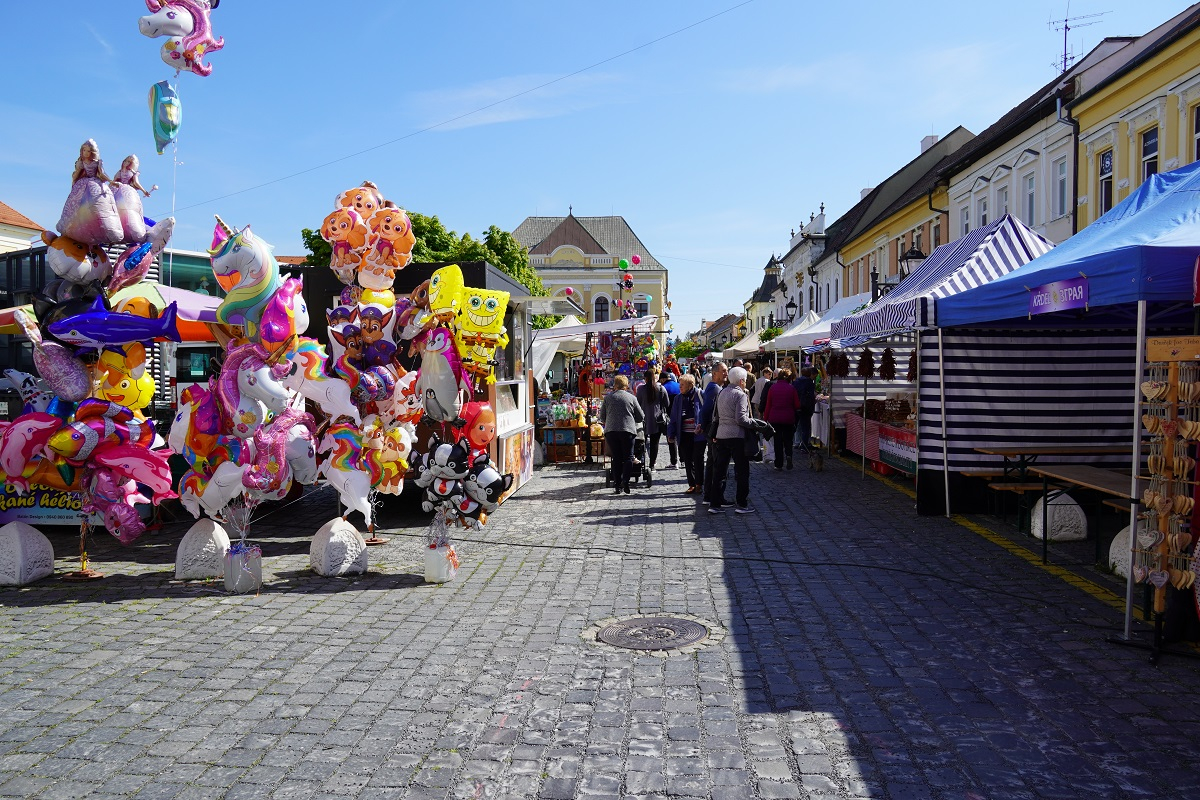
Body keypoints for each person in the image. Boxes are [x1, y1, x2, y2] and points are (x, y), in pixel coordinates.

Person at [707, 366, 756, 514]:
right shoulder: (740, 395)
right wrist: (754, 423)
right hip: (737, 437)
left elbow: (716, 416)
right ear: (741, 381)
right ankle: (742, 504)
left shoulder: (722, 392)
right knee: (742, 471)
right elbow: (741, 419)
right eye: (745, 380)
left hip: (722, 435)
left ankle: (714, 504)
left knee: (719, 471)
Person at [57, 139, 123, 245]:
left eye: (88, 151)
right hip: (83, 184)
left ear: (92, 152)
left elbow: (102, 174)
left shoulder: (98, 162)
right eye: (84, 150)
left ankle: (102, 227)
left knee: (99, 204)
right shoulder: (82, 162)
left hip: (95, 184)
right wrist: (74, 184)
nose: (86, 153)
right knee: (76, 204)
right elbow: (77, 174)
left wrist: (111, 181)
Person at [599, 375, 643, 495]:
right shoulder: (632, 398)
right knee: (628, 457)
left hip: (611, 431)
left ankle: (617, 485)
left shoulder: (608, 398)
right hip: (627, 430)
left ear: (615, 385)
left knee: (616, 457)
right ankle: (626, 481)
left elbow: (602, 417)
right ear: (626, 385)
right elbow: (640, 416)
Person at [667, 373, 705, 493]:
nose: (680, 387)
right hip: (684, 434)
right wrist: (671, 434)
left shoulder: (700, 394)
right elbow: (673, 417)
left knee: (698, 458)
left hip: (698, 434)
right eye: (680, 384)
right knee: (687, 460)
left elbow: (706, 412)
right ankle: (692, 484)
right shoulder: (678, 398)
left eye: (682, 385)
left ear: (690, 385)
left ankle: (699, 483)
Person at [699, 361, 727, 505]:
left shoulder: (715, 387)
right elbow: (706, 410)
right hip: (714, 431)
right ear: (715, 373)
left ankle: (708, 495)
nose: (726, 373)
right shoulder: (715, 388)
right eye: (723, 371)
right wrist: (706, 429)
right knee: (716, 463)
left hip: (711, 430)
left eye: (726, 370)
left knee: (711, 462)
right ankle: (714, 496)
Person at [762, 368, 801, 470]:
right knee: (788, 439)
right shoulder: (791, 388)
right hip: (788, 417)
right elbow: (797, 405)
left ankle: (778, 464)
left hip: (775, 418)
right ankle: (788, 455)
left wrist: (765, 419)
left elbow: (768, 405)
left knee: (777, 441)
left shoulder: (773, 388)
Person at [635, 369, 669, 470]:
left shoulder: (640, 389)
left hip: (643, 419)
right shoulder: (661, 388)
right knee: (655, 443)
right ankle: (652, 464)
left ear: (645, 378)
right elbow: (667, 403)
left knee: (641, 441)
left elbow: (637, 404)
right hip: (657, 419)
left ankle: (640, 462)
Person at [793, 366, 818, 452]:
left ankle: (796, 443)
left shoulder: (796, 381)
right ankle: (804, 446)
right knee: (806, 427)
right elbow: (810, 396)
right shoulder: (809, 382)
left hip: (796, 406)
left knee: (797, 426)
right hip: (806, 407)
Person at [660, 371, 681, 468]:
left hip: (669, 416)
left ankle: (674, 462)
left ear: (663, 379)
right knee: (681, 437)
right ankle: (683, 460)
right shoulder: (679, 385)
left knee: (671, 438)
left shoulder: (663, 388)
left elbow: (664, 403)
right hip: (681, 415)